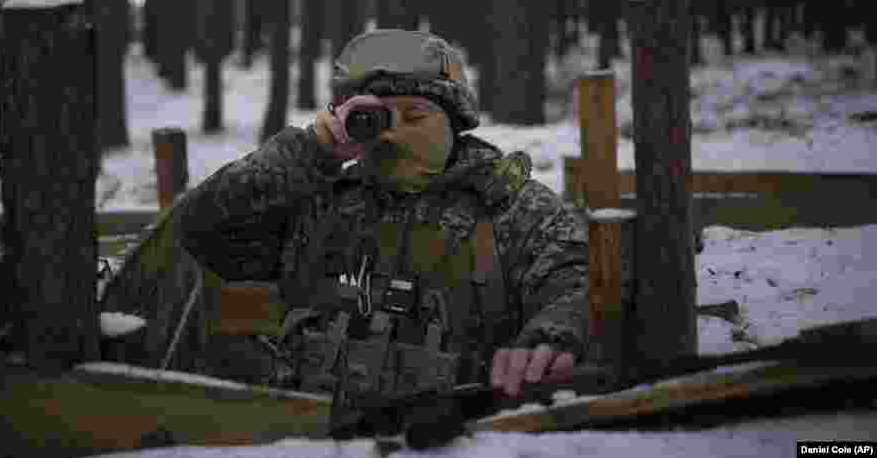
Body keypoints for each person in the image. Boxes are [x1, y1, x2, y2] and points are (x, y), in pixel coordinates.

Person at [177, 29, 589, 398]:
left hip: (461, 436)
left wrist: (549, 337)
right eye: (375, 118)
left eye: (415, 116)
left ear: (453, 121)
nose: (394, 134)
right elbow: (201, 231)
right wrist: (307, 152)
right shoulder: (317, 204)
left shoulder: (513, 206)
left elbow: (575, 282)